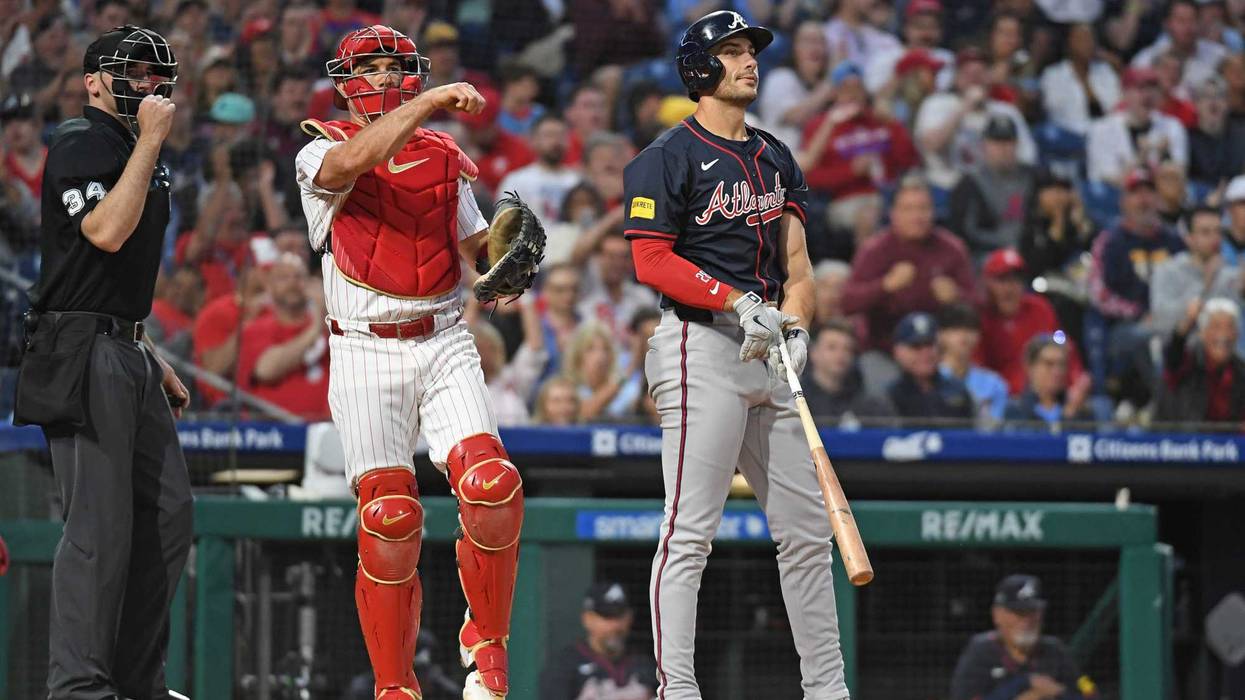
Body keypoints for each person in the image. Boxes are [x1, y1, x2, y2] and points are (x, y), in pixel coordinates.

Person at [622, 11, 848, 699]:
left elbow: (799, 269)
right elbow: (649, 259)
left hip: (767, 353)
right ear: (699, 68)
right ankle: (678, 690)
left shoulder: (775, 154)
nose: (748, 61)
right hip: (699, 346)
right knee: (689, 532)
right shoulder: (664, 156)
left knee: (807, 535)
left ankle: (827, 690)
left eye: (750, 50)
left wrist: (797, 325)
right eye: (731, 51)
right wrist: (734, 301)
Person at [294, 25, 523, 700]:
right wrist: (426, 105)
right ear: (343, 82)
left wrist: (504, 262)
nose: (388, 79)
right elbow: (350, 168)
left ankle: (486, 646)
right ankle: (395, 686)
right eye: (372, 68)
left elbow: (473, 241)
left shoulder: (444, 155)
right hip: (364, 346)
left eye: (398, 68)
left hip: (446, 336)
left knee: (492, 486)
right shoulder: (318, 149)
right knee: (390, 518)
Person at [12, 25, 193, 700]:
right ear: (93, 81)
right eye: (133, 72)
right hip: (79, 349)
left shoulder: (130, 148)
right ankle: (79, 688)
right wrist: (148, 139)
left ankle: (136, 683)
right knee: (98, 528)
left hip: (124, 345)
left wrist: (147, 348)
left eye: (156, 74)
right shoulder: (80, 142)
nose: (148, 85)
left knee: (169, 515)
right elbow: (105, 233)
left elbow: (104, 276)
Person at [841, 174, 977, 352]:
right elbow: (847, 302)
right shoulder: (874, 250)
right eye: (908, 209)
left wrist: (956, 297)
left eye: (923, 208)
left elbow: (978, 304)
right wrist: (885, 285)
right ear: (893, 214)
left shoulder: (952, 248)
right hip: (884, 347)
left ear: (934, 212)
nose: (917, 216)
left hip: (939, 350)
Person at [799, 61, 918, 238]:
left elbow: (910, 160)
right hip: (847, 199)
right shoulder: (821, 126)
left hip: (890, 193)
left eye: (858, 88)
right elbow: (810, 177)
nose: (853, 94)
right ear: (835, 94)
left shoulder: (879, 119)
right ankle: (868, 265)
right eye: (846, 89)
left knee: (915, 209)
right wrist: (851, 171)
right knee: (869, 216)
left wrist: (892, 123)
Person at [950, 575, 1093, 700]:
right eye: (1018, 613)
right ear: (997, 615)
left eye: (1033, 612)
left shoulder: (1056, 650)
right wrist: (1025, 683)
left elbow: (1089, 691)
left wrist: (1059, 693)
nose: (1026, 621)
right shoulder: (980, 651)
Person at [914, 46, 1036, 191]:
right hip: (945, 186)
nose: (974, 78)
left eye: (980, 72)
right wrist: (964, 107)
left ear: (990, 76)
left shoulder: (1006, 111)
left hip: (994, 191)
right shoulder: (937, 103)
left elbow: (1028, 158)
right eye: (968, 73)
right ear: (957, 78)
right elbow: (930, 145)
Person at [978, 248, 1086, 396]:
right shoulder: (981, 318)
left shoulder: (1039, 308)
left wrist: (1076, 379)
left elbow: (1061, 342)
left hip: (1045, 395)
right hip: (1001, 399)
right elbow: (978, 371)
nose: (1009, 288)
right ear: (988, 284)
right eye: (1002, 280)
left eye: (1016, 280)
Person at [236, 253, 330, 420]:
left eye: (299, 276)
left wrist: (325, 313)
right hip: (274, 433)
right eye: (283, 278)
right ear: (270, 287)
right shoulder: (256, 328)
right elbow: (266, 370)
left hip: (329, 430)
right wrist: (314, 330)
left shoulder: (329, 326)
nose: (293, 283)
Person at [540, 582, 658, 700]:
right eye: (607, 617)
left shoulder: (646, 665)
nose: (615, 626)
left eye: (620, 616)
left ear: (630, 617)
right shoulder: (564, 667)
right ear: (587, 619)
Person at [946, 113, 1039, 264]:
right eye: (996, 142)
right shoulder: (969, 184)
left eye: (1008, 142)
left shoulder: (1035, 177)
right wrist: (1006, 246)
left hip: (1029, 256)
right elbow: (965, 234)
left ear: (1017, 145)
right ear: (984, 145)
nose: (1003, 148)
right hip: (987, 258)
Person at [1149, 205, 1241, 339]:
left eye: (1218, 232)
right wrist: (1205, 285)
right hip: (1180, 350)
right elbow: (1161, 321)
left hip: (1223, 351)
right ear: (1189, 238)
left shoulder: (1229, 274)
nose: (1215, 238)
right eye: (1205, 232)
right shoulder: (1167, 270)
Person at [1085, 68, 1188, 187]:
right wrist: (1140, 158)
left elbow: (1180, 179)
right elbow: (1111, 182)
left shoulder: (1172, 126)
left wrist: (1165, 156)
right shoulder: (1101, 129)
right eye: (1140, 88)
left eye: (1152, 88)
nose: (1147, 95)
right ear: (1124, 93)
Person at [1154, 297, 1245, 428]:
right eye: (1216, 327)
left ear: (1237, 334)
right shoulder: (1187, 360)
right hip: (1178, 443)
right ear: (1202, 333)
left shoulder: (1241, 371)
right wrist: (1188, 321)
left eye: (1230, 327)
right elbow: (1173, 353)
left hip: (1225, 445)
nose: (1224, 335)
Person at [757, 19, 833, 149]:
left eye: (820, 41)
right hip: (783, 160)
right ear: (794, 47)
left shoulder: (826, 85)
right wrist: (832, 81)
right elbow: (797, 116)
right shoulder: (779, 78)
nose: (815, 47)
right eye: (808, 41)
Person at [886, 312, 974, 424]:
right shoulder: (890, 396)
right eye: (916, 346)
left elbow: (980, 434)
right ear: (898, 351)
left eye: (930, 345)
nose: (925, 353)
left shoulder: (958, 390)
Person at [802, 321, 895, 426]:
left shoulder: (868, 404)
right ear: (813, 352)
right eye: (832, 347)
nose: (841, 354)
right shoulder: (795, 401)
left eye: (847, 349)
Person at [496, 114, 582, 223]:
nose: (556, 141)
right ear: (533, 140)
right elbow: (506, 223)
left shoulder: (577, 181)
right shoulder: (516, 181)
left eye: (561, 135)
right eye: (549, 135)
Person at [1039, 23, 1121, 136]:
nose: (1088, 44)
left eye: (1091, 39)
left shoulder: (1105, 71)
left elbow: (1114, 105)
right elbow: (1055, 111)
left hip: (1105, 133)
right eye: (1081, 40)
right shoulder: (1053, 75)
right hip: (1068, 136)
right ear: (1069, 44)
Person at [1131, 0, 1229, 94]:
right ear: (1167, 24)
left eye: (1192, 20)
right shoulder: (1147, 59)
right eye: (1181, 21)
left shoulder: (1220, 56)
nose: (1188, 27)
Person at [936, 303, 1009, 426]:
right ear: (941, 335)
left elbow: (995, 429)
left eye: (970, 329)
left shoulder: (994, 383)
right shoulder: (929, 380)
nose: (964, 336)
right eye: (956, 329)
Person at [1004, 335, 1094, 431]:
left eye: (1062, 364)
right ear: (1030, 367)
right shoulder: (1015, 410)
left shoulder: (1082, 411)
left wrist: (1071, 411)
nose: (1057, 371)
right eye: (1049, 364)